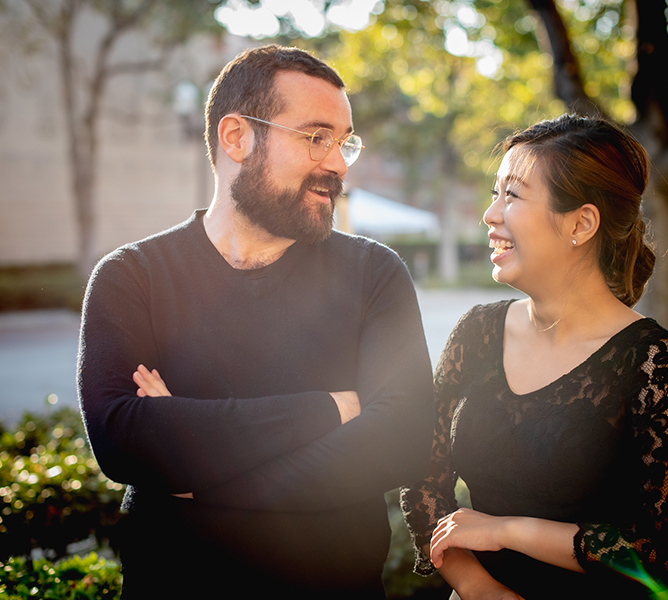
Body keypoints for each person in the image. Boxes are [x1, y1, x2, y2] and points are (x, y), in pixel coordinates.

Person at [77, 45, 434, 599]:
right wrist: (326, 410)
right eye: (316, 137)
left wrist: (197, 468)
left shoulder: (374, 273)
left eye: (345, 142)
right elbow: (123, 439)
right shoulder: (132, 278)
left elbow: (403, 437)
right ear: (236, 137)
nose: (338, 162)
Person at [400, 114, 668, 599]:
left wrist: (505, 531)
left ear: (581, 223)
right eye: (495, 193)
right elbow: (422, 482)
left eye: (512, 196)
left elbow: (663, 553)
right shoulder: (477, 332)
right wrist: (478, 588)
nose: (490, 215)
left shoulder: (652, 360)